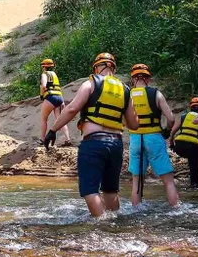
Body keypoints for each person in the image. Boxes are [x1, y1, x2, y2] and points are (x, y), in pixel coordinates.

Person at [46, 52, 139, 218]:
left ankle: (103, 224)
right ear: (113, 68)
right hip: (116, 145)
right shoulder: (125, 90)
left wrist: (52, 130)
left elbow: (72, 109)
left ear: (97, 67)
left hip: (94, 144)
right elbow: (134, 124)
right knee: (110, 190)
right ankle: (115, 224)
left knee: (90, 190)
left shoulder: (90, 84)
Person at [127, 63, 180, 208]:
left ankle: (135, 211)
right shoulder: (156, 94)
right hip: (154, 138)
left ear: (133, 79)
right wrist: (167, 131)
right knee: (168, 180)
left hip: (135, 139)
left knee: (137, 182)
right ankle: (176, 209)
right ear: (148, 79)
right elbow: (171, 118)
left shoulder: (127, 95)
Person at [169, 96, 198, 189]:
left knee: (191, 158)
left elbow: (173, 132)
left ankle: (170, 180)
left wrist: (171, 144)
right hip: (194, 147)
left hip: (180, 147)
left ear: (191, 107)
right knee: (195, 164)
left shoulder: (183, 117)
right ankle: (194, 184)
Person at [38, 59, 72, 148]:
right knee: (60, 120)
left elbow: (44, 86)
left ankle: (42, 139)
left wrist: (42, 94)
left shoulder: (44, 74)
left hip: (50, 97)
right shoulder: (54, 75)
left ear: (44, 67)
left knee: (44, 119)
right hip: (60, 98)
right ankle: (67, 139)